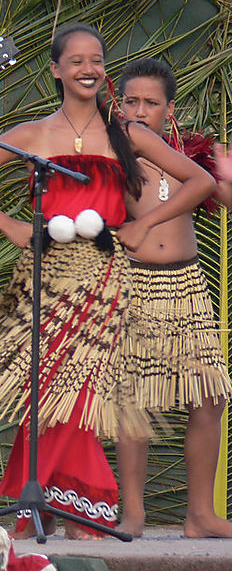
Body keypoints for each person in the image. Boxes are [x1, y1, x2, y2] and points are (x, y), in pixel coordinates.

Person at [0, 23, 215, 539]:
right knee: (45, 391)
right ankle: (48, 505)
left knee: (82, 392)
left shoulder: (126, 134)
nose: (89, 68)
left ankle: (68, 505)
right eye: (78, 60)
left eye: (97, 60)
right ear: (56, 69)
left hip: (105, 278)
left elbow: (200, 181)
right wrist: (10, 225)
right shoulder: (35, 134)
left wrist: (144, 222)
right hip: (45, 277)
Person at [114, 57, 232, 538]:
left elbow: (223, 199)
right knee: (135, 398)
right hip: (136, 283)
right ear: (118, 104)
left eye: (151, 103)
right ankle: (134, 512)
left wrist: (225, 176)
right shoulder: (110, 152)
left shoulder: (190, 154)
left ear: (171, 111)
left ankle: (199, 515)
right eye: (131, 101)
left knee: (210, 395)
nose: (140, 111)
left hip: (187, 284)